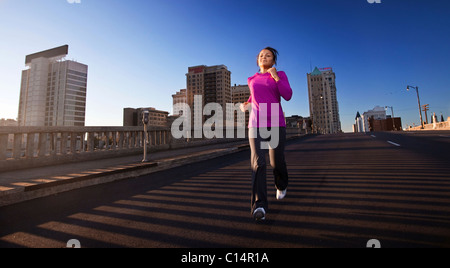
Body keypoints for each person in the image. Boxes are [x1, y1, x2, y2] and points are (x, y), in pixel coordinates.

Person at [241, 47, 293, 221]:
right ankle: (259, 206)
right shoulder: (252, 79)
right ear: (258, 60)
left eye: (268, 55)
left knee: (276, 161)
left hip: (276, 123)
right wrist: (246, 103)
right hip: (256, 123)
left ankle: (281, 184)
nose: (264, 57)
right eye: (261, 55)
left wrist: (276, 76)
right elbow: (254, 96)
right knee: (258, 162)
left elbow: (287, 95)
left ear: (273, 60)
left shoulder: (280, 75)